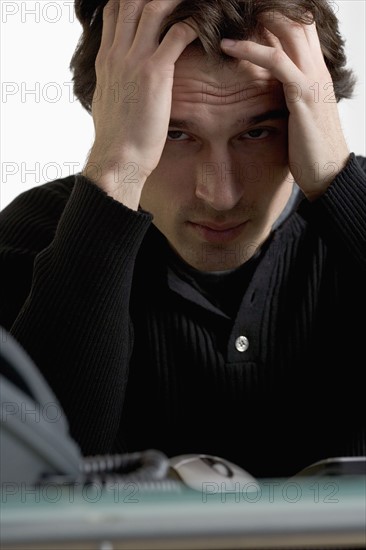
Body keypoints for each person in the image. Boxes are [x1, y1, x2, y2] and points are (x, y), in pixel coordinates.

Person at [0, 0, 365, 479]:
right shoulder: (36, 231)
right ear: (110, 117)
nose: (219, 195)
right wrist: (114, 176)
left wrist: (338, 181)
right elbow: (35, 488)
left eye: (257, 132)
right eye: (175, 134)